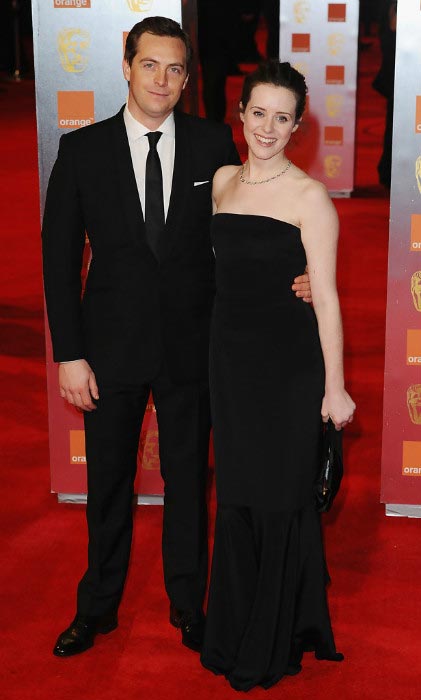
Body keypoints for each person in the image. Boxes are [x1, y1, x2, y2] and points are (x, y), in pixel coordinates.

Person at [42, 18, 312, 658]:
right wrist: (70, 354)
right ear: (127, 68)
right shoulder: (82, 152)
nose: (161, 80)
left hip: (195, 347)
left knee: (190, 482)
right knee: (107, 482)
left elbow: (250, 223)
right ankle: (98, 605)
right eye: (149, 66)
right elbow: (58, 259)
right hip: (108, 352)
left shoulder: (212, 142)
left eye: (175, 69)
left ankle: (189, 604)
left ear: (188, 78)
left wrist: (299, 274)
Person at [200, 60, 356, 691]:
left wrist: (334, 386)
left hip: (289, 369)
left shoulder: (309, 197)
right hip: (230, 365)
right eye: (257, 112)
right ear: (240, 114)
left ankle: (276, 635)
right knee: (236, 496)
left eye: (282, 117)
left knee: (281, 498)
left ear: (298, 126)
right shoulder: (220, 183)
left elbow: (327, 296)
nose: (267, 127)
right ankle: (234, 627)